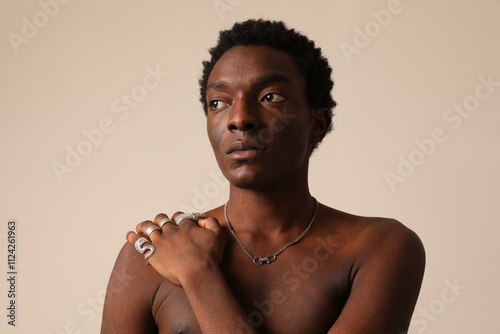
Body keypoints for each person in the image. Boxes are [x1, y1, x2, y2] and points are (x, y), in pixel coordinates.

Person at [101, 19, 425, 334]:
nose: (240, 118)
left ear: (318, 123)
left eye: (271, 97)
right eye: (218, 102)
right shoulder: (151, 253)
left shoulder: (379, 246)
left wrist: (199, 274)